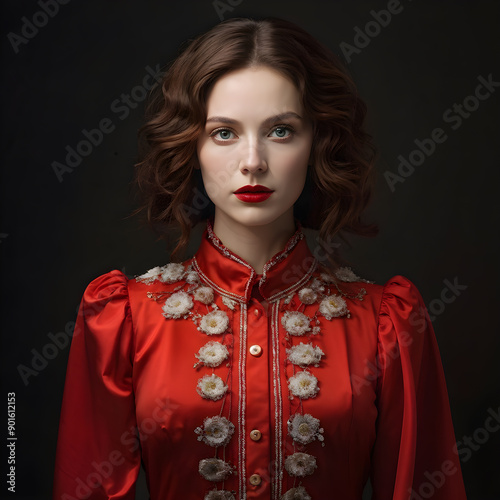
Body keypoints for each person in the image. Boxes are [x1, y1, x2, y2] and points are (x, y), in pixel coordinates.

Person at [53, 17, 467, 500]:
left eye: (281, 131)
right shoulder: (124, 317)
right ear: (193, 146)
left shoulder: (384, 322)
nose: (253, 160)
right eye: (224, 132)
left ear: (317, 143)